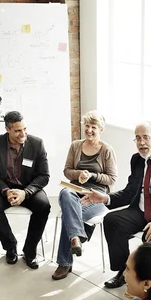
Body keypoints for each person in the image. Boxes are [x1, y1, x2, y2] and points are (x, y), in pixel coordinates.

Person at [83, 121, 151, 289]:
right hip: (140, 211)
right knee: (112, 220)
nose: (141, 143)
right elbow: (129, 192)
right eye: (137, 138)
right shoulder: (137, 160)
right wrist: (105, 198)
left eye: (146, 138)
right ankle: (123, 271)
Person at [53, 110, 118, 280]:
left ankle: (65, 261)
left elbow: (112, 179)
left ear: (101, 130)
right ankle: (76, 238)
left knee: (70, 213)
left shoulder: (107, 150)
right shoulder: (75, 146)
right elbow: (67, 171)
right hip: (74, 190)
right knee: (66, 194)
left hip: (97, 194)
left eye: (93, 127)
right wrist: (79, 174)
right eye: (87, 126)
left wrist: (93, 176)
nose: (89, 130)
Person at [0, 111, 50, 269]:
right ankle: (10, 246)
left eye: (25, 129)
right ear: (7, 129)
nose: (23, 133)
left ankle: (30, 250)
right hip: (5, 187)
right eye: (18, 130)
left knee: (44, 206)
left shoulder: (37, 144)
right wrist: (6, 191)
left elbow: (44, 176)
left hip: (29, 188)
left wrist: (26, 192)